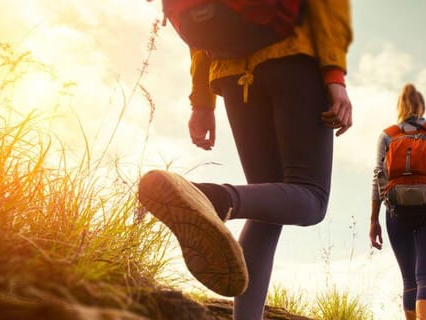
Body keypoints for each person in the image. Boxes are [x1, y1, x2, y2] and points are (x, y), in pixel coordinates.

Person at [137, 1, 352, 319]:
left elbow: (205, 30)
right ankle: (211, 197)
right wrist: (334, 77)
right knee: (312, 197)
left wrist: (202, 102)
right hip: (294, 56)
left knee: (267, 209)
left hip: (232, 74)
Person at [370, 84, 426, 320]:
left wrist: (373, 220)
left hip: (395, 212)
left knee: (409, 279)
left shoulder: (387, 135)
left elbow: (377, 178)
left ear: (399, 106)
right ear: (422, 106)